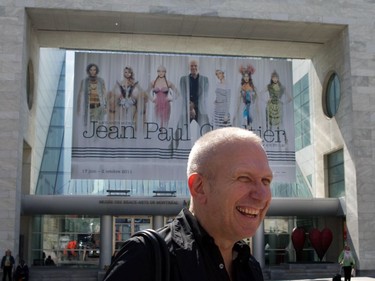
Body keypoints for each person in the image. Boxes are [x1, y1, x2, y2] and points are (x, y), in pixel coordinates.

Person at [104, 127, 273, 281]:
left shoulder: (249, 265)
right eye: (244, 178)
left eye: (266, 181)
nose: (262, 195)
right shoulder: (144, 258)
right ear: (199, 187)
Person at [171, 59, 211, 150]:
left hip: (200, 108)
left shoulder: (205, 79)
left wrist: (194, 106)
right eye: (192, 66)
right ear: (189, 67)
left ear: (198, 67)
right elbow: (184, 94)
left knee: (207, 130)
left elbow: (204, 95)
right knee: (180, 130)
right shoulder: (183, 79)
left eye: (195, 66)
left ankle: (211, 152)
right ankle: (171, 150)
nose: (193, 67)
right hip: (187, 108)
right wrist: (190, 106)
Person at [234, 64, 257, 129]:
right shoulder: (241, 87)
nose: (246, 78)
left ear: (249, 77)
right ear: (243, 78)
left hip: (251, 106)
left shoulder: (252, 87)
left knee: (250, 121)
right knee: (244, 120)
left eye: (247, 76)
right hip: (243, 106)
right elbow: (239, 98)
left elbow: (255, 98)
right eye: (245, 76)